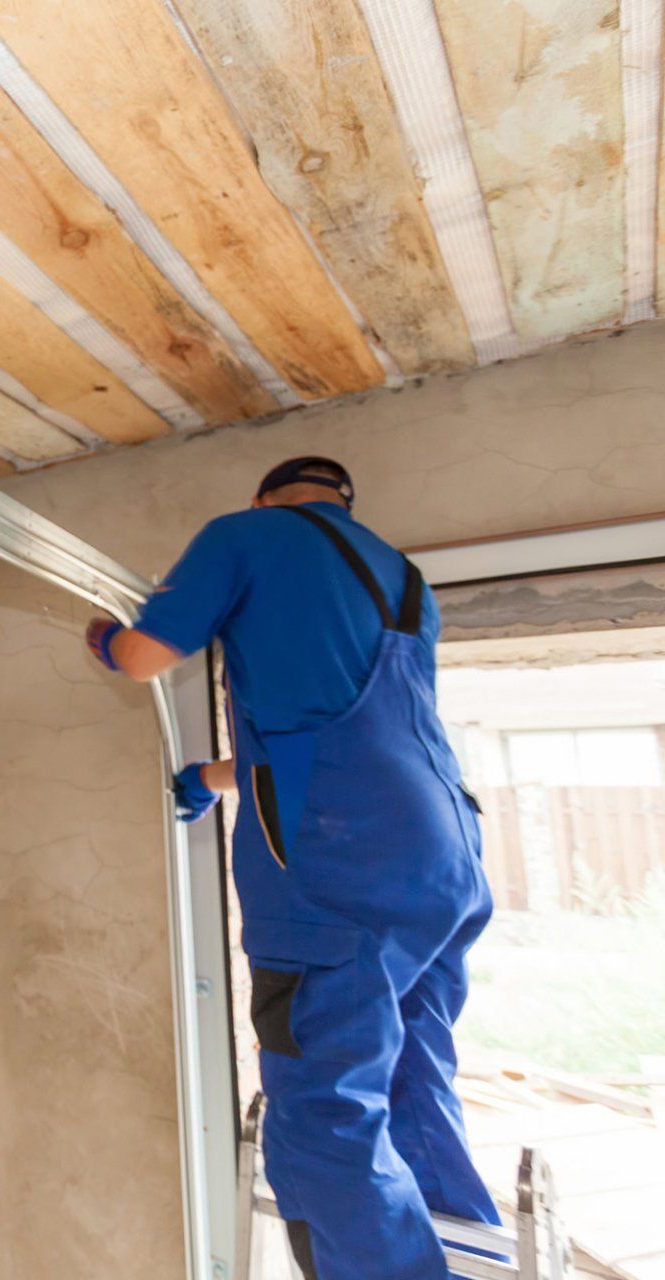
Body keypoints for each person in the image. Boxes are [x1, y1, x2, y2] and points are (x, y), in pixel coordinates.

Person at [83, 457, 495, 1280]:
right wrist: (210, 778)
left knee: (324, 1121)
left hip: (340, 878)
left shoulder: (245, 537)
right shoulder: (402, 575)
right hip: (443, 853)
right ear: (346, 503)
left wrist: (101, 635)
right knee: (413, 1077)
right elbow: (343, 736)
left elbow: (140, 657)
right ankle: (470, 1254)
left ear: (261, 498)